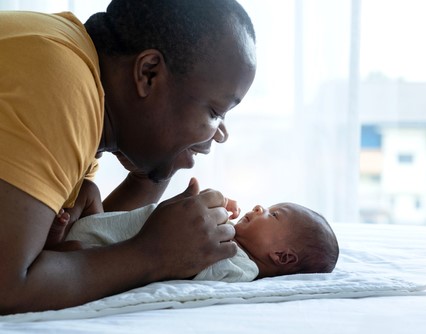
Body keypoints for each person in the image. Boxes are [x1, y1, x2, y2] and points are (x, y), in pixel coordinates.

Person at [0, 0, 256, 314]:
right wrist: (154, 254)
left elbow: (93, 243)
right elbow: (8, 285)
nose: (220, 133)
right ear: (148, 73)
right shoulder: (59, 81)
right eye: (216, 112)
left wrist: (154, 173)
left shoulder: (77, 74)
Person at [64, 179, 340, 282]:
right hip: (102, 224)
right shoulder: (229, 235)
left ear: (283, 256)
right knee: (89, 189)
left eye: (274, 214)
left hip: (100, 249)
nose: (259, 207)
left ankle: (56, 243)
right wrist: (212, 206)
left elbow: (194, 262)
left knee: (75, 253)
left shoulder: (241, 267)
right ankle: (63, 232)